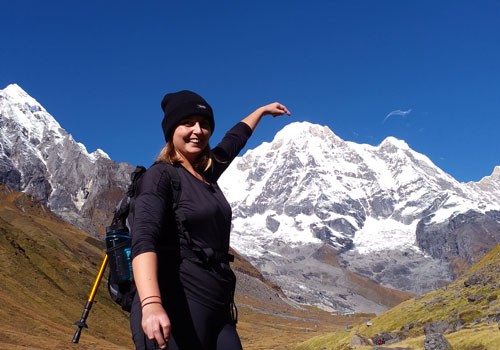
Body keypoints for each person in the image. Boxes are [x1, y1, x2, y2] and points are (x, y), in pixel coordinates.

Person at [129, 90, 290, 350]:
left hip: (217, 306)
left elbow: (234, 140)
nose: (198, 131)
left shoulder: (207, 173)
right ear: (171, 130)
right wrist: (151, 305)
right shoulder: (160, 176)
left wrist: (260, 111)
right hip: (175, 303)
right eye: (188, 123)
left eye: (204, 125)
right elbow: (143, 240)